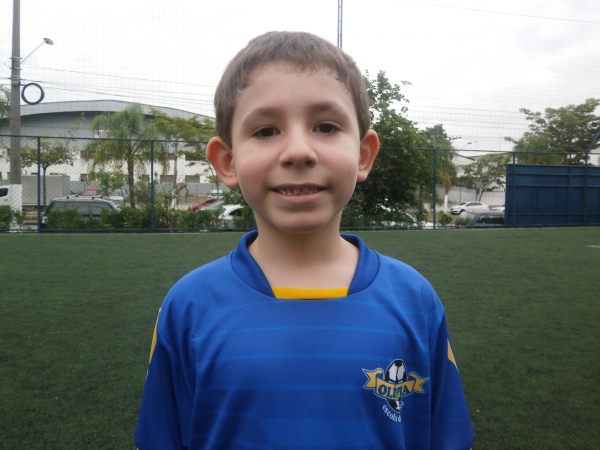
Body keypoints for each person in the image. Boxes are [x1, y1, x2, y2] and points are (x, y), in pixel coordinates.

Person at [135, 31, 474, 450]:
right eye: (265, 131)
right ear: (228, 161)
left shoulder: (415, 299)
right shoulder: (188, 306)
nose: (298, 151)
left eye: (326, 126)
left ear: (363, 155)